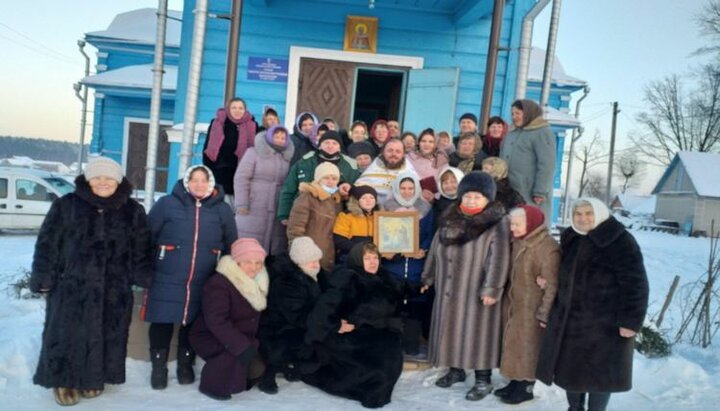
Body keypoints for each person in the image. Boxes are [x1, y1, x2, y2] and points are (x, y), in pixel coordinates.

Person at [29, 157, 154, 406]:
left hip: (114, 288)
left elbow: (143, 247)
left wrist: (141, 274)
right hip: (71, 285)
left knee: (108, 334)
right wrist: (43, 276)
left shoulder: (132, 210)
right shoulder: (66, 206)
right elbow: (47, 244)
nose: (103, 182)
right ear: (88, 179)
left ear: (118, 181)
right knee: (67, 334)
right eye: (97, 177)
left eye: (109, 177)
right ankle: (64, 381)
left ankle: (93, 380)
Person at [536, 198, 649, 411]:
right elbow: (564, 272)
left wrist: (631, 322)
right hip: (572, 322)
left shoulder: (620, 240)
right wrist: (549, 282)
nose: (583, 218)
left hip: (606, 325)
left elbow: (636, 284)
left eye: (589, 213)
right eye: (578, 213)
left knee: (600, 376)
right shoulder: (571, 238)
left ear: (599, 213)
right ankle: (574, 408)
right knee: (571, 371)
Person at [144, 165, 237, 390]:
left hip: (204, 276)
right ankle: (159, 368)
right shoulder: (167, 204)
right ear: (187, 182)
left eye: (203, 180)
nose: (198, 184)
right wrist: (145, 267)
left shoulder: (222, 209)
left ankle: (185, 364)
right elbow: (146, 236)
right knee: (162, 319)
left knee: (193, 322)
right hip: (166, 273)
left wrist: (224, 273)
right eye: (194, 179)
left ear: (211, 183)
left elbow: (230, 243)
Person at [421, 171, 510, 401]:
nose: (471, 201)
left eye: (477, 197)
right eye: (467, 196)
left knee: (479, 333)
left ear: (488, 199)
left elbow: (499, 258)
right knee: (451, 327)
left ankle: (483, 378)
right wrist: (428, 276)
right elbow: (435, 248)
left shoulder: (496, 222)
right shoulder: (450, 216)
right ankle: (456, 370)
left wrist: (492, 289)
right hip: (449, 286)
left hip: (476, 288)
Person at [303, 242, 404, 409]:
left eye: (375, 258)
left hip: (377, 332)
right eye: (367, 258)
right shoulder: (348, 278)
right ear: (357, 260)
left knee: (390, 361)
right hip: (351, 337)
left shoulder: (384, 278)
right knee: (377, 370)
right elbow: (323, 310)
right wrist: (335, 325)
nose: (372, 262)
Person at [189, 238, 269, 401]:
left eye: (258, 263)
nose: (253, 267)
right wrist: (241, 345)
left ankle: (236, 376)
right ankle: (211, 386)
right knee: (232, 355)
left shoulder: (259, 281)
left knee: (257, 369)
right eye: (247, 262)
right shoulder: (219, 283)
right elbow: (216, 320)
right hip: (209, 335)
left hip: (241, 335)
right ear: (237, 262)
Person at [495, 205, 559, 405]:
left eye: (516, 224)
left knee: (529, 347)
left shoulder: (547, 247)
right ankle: (515, 381)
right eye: (511, 224)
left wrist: (544, 313)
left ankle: (526, 387)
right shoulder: (519, 241)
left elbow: (553, 284)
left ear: (530, 223)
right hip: (516, 303)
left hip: (533, 307)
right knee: (515, 345)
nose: (512, 228)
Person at [256, 237, 326, 394]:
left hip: (300, 323)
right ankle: (268, 376)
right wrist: (324, 322)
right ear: (299, 263)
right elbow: (296, 314)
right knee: (284, 344)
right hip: (278, 327)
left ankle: (291, 367)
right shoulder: (287, 282)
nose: (315, 264)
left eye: (317, 260)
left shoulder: (313, 274)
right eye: (310, 261)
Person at [382, 172, 434, 357]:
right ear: (396, 189)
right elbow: (382, 234)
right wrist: (388, 249)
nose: (406, 192)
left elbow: (429, 233)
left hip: (415, 266)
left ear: (416, 189)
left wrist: (423, 249)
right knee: (392, 305)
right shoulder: (386, 208)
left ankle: (411, 344)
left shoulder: (425, 209)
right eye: (402, 188)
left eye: (410, 188)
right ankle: (393, 346)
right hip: (393, 266)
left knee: (415, 305)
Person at [234, 125, 294, 256]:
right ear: (269, 136)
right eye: (276, 136)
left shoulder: (287, 158)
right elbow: (241, 178)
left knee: (274, 245)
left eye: (283, 138)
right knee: (249, 246)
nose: (279, 140)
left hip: (277, 205)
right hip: (254, 205)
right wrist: (242, 203)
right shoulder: (253, 152)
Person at [277, 130, 359, 223]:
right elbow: (289, 189)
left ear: (340, 147)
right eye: (326, 142)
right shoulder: (304, 162)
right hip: (305, 215)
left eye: (334, 143)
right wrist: (284, 215)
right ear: (320, 145)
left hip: (336, 218)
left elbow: (356, 193)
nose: (330, 146)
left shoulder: (350, 166)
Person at [499, 99, 556, 220]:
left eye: (518, 113)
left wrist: (540, 191)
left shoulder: (541, 131)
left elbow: (547, 164)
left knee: (529, 222)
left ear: (529, 112)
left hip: (529, 192)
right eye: (513, 114)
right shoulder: (511, 132)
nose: (514, 117)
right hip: (509, 188)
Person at [287, 162, 344, 272]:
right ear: (318, 179)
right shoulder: (307, 198)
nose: (330, 182)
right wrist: (300, 252)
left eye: (334, 178)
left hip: (330, 254)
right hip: (310, 256)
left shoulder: (336, 200)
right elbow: (295, 228)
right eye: (326, 178)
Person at [203, 98, 258, 204]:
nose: (237, 110)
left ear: (245, 110)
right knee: (220, 206)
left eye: (240, 108)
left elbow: (255, 150)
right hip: (220, 172)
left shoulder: (252, 125)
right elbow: (207, 149)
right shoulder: (219, 123)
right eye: (234, 108)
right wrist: (211, 169)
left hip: (242, 172)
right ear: (228, 109)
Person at [355, 138, 417, 204]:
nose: (393, 154)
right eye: (390, 151)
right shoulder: (374, 167)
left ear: (403, 155)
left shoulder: (409, 171)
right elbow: (359, 188)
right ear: (383, 152)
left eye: (398, 151)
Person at [333, 185, 381, 265]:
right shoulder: (346, 216)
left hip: (374, 257)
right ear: (356, 200)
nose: (368, 200)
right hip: (350, 255)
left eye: (371, 198)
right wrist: (361, 250)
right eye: (364, 198)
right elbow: (339, 240)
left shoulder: (380, 217)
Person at [407, 128, 449, 202]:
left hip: (431, 201)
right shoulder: (409, 157)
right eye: (423, 141)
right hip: (408, 197)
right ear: (418, 142)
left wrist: (434, 197)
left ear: (435, 144)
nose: (427, 144)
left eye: (431, 142)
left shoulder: (441, 161)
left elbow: (444, 183)